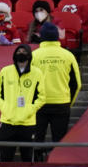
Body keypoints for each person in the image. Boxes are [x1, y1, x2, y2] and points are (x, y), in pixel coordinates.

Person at [32, 22, 82, 155]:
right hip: (62, 104)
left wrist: (31, 103)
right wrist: (68, 102)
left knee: (36, 142)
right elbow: (77, 84)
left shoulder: (34, 55)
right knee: (59, 143)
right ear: (57, 37)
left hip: (38, 105)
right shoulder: (68, 55)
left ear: (41, 36)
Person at [0, 44, 45, 162]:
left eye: (24, 51)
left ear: (29, 55)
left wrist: (29, 110)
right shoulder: (5, 71)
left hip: (27, 123)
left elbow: (42, 97)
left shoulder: (37, 73)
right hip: (7, 122)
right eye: (19, 51)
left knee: (28, 159)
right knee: (5, 159)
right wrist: (6, 109)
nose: (21, 53)